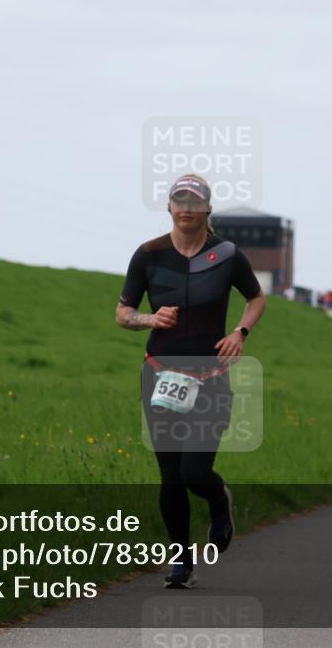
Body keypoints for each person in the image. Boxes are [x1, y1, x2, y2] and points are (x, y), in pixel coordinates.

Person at [116, 174, 266, 588]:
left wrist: (240, 333)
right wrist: (150, 317)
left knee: (195, 471)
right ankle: (181, 561)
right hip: (160, 375)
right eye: (178, 200)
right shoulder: (148, 255)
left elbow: (257, 298)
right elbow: (123, 313)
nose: (185, 207)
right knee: (170, 475)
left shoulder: (228, 255)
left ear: (206, 209)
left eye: (193, 200)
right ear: (169, 207)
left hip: (211, 377)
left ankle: (220, 504)